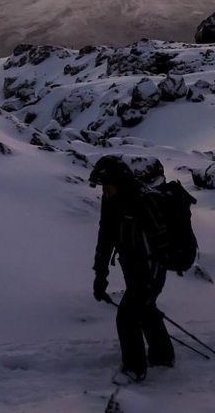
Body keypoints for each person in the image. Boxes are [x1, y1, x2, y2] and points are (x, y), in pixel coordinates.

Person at [90, 155, 174, 385]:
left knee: (127, 317)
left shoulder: (141, 202)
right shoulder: (112, 203)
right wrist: (100, 276)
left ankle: (135, 369)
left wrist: (150, 281)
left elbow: (160, 246)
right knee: (145, 311)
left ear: (119, 181)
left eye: (107, 185)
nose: (105, 191)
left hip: (150, 271)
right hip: (134, 269)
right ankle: (163, 357)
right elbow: (105, 238)